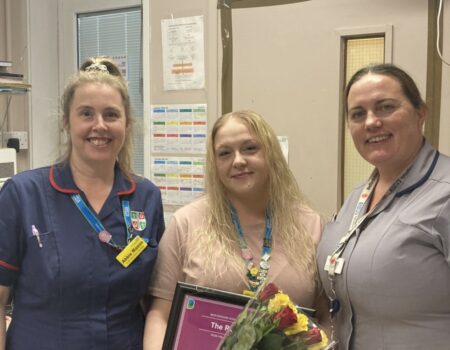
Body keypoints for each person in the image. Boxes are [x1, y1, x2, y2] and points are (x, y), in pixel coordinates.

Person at [0, 57, 165, 350]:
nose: (99, 126)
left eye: (111, 115)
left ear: (127, 123)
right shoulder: (23, 195)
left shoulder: (146, 197)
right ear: (66, 121)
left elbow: (155, 300)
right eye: (86, 114)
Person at [144, 110, 329, 349]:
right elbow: (160, 315)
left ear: (271, 154)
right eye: (225, 153)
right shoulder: (186, 223)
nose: (238, 160)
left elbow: (326, 316)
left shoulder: (311, 224)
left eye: (250, 148)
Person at [317, 63, 450, 349]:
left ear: (420, 114)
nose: (371, 122)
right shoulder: (358, 195)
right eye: (358, 114)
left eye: (386, 107)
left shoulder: (445, 194)